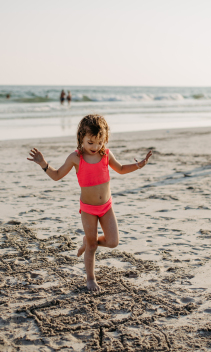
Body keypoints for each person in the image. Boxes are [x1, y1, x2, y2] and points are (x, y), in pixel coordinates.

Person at [27, 114, 152, 291]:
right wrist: (43, 164)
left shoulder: (106, 155)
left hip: (106, 207)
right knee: (93, 247)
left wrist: (139, 165)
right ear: (81, 139)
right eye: (90, 142)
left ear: (104, 140)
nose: (95, 147)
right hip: (88, 209)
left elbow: (122, 169)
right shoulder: (75, 158)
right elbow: (56, 176)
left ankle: (87, 241)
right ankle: (91, 278)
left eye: (99, 142)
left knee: (113, 241)